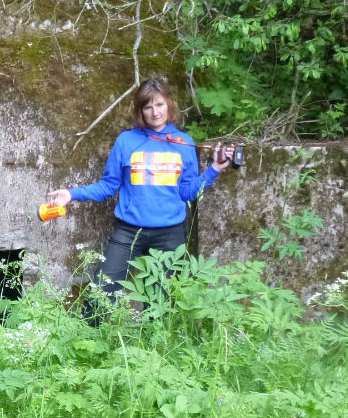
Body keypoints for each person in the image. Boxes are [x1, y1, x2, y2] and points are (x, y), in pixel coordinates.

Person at [45, 78, 235, 306]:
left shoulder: (184, 143)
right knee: (100, 295)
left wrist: (214, 169)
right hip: (128, 233)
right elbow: (107, 186)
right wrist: (71, 194)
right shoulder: (126, 141)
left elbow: (186, 193)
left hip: (169, 235)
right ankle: (88, 340)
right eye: (148, 107)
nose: (155, 113)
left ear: (170, 105)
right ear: (140, 111)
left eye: (160, 105)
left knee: (158, 308)